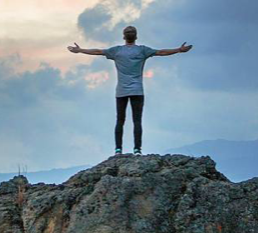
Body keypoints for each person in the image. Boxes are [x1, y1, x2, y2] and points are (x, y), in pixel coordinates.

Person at [68, 25, 193, 155]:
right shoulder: (142, 50)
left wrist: (80, 50)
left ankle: (118, 150)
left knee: (120, 120)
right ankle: (137, 150)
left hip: (121, 91)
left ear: (124, 37)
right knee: (137, 121)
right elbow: (162, 52)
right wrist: (179, 50)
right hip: (137, 91)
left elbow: (98, 51)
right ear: (136, 36)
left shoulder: (117, 51)